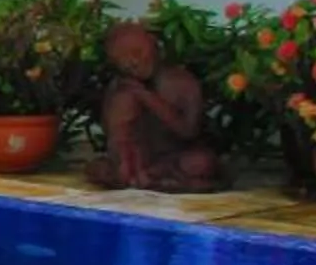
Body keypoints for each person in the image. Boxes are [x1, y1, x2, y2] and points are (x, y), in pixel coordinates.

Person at [87, 21, 224, 193]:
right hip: (138, 159)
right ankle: (143, 177)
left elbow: (188, 131)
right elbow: (113, 134)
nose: (133, 62)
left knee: (202, 162)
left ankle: (147, 178)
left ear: (154, 44)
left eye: (137, 52)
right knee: (99, 168)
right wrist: (123, 154)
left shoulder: (182, 82)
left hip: (172, 159)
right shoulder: (121, 88)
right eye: (122, 60)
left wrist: (146, 96)